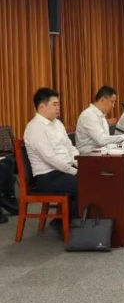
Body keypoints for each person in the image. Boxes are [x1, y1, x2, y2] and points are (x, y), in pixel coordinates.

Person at [23, 88, 80, 220]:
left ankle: (87, 220)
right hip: (47, 176)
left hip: (64, 169)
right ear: (42, 107)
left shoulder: (57, 123)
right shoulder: (35, 128)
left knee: (94, 177)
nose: (58, 108)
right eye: (55, 104)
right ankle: (66, 222)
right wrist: (75, 171)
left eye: (58, 104)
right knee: (82, 183)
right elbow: (50, 159)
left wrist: (79, 163)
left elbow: (69, 146)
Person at [75, 85, 124, 154]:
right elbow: (101, 140)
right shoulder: (88, 115)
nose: (113, 106)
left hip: (100, 152)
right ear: (103, 100)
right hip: (87, 155)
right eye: (112, 102)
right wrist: (122, 137)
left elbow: (105, 140)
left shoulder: (101, 116)